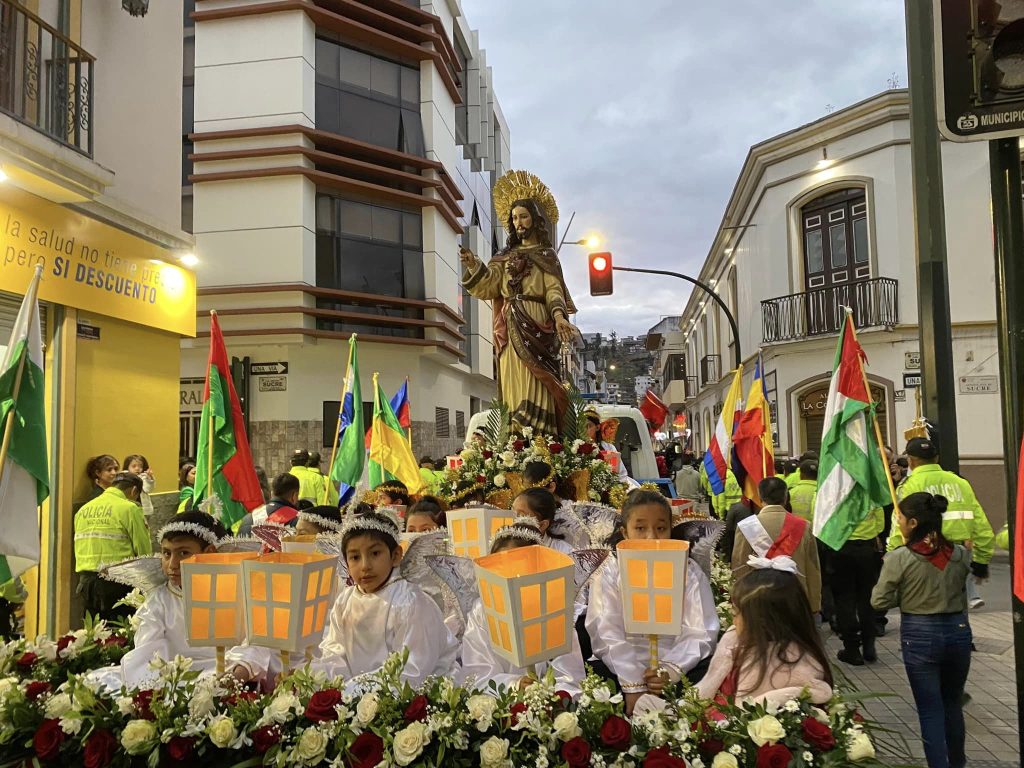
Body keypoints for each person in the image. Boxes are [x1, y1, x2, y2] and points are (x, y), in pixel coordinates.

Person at [93, 512, 269, 690]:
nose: (172, 564)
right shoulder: (160, 601)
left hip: (232, 674)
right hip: (174, 680)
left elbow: (258, 642)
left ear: (209, 553)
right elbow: (147, 654)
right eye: (166, 553)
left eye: (183, 553)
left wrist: (239, 673)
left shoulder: (241, 593)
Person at [459, 172, 578, 435]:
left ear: (535, 219)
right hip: (511, 326)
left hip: (538, 324)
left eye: (523, 216)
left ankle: (541, 439)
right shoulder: (504, 257)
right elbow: (489, 285)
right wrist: (474, 265)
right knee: (514, 382)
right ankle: (515, 436)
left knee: (539, 379)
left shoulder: (547, 256)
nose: (519, 222)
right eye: (514, 218)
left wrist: (558, 317)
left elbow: (553, 290)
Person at [586, 489, 719, 715]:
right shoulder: (609, 571)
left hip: (677, 665)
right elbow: (605, 628)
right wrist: (633, 684)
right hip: (619, 667)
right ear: (624, 532)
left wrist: (669, 671)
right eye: (640, 528)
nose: (652, 537)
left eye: (660, 528)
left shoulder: (688, 571)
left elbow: (701, 630)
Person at [872, 493, 972, 768]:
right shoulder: (960, 554)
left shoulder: (899, 558)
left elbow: (879, 601)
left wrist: (904, 596)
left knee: (930, 710)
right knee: (953, 705)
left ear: (913, 522)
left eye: (901, 518)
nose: (899, 523)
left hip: (920, 633)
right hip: (958, 630)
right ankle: (958, 763)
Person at [314, 511, 458, 688]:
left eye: (375, 553)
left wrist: (354, 690)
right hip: (357, 696)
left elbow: (412, 670)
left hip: (418, 694)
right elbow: (335, 653)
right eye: (355, 557)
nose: (365, 566)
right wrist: (317, 676)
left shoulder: (411, 602)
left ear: (396, 555)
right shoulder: (344, 601)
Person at [461, 517, 587, 696]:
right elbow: (477, 672)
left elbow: (569, 675)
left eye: (520, 565)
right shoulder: (482, 610)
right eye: (503, 567)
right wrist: (514, 684)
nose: (513, 575)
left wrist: (545, 694)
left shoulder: (556, 606)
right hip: (498, 706)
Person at [693, 567, 833, 712]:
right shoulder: (734, 640)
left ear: (762, 621)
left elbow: (750, 717)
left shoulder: (793, 665)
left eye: (735, 612)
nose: (732, 618)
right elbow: (709, 686)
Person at [889, 437, 994, 610]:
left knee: (924, 609)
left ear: (911, 461)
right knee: (957, 610)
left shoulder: (909, 486)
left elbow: (898, 527)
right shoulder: (960, 483)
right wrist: (981, 560)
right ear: (936, 458)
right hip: (958, 556)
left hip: (924, 555)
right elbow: (981, 525)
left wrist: (893, 557)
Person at [731, 477, 822, 614]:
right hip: (795, 598)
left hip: (758, 598)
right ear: (786, 497)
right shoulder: (803, 526)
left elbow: (740, 566)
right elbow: (812, 567)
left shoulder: (746, 526)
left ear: (760, 497)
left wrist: (740, 602)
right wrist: (814, 603)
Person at [74, 472, 152, 620]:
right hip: (118, 584)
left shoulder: (83, 510)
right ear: (134, 491)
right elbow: (143, 551)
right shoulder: (130, 508)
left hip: (87, 584)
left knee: (94, 632)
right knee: (120, 634)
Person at [512, 487, 573, 555]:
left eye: (521, 516)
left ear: (542, 525)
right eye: (512, 512)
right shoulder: (505, 546)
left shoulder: (564, 553)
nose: (513, 519)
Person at [123, 454, 156, 523]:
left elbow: (148, 489)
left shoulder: (144, 477)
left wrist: (150, 478)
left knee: (144, 527)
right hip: (129, 508)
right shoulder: (125, 477)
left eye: (140, 466)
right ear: (127, 467)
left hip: (144, 509)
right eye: (134, 466)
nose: (137, 468)